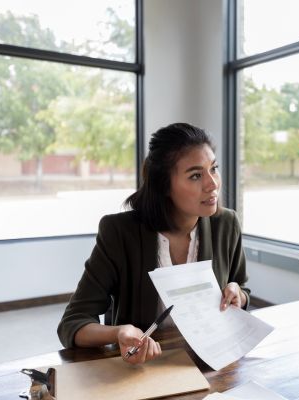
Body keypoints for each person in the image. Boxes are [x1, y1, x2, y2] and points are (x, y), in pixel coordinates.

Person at [58, 122, 250, 365]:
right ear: (163, 185)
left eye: (214, 168)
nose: (213, 184)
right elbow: (72, 323)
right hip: (144, 367)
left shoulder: (226, 224)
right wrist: (119, 332)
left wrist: (237, 294)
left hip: (210, 363)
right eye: (195, 175)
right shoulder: (119, 233)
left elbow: (241, 287)